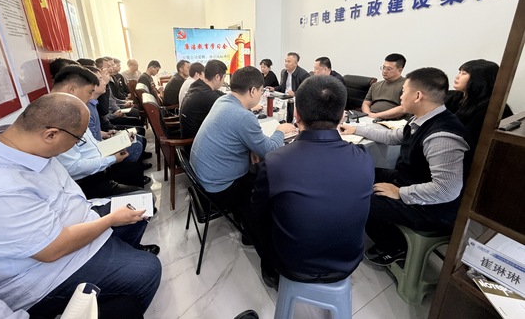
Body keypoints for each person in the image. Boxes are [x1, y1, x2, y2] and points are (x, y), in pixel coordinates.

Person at [0, 93, 160, 318]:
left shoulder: (24, 144)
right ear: (51, 135)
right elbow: (53, 249)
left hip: (79, 217)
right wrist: (110, 220)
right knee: (147, 270)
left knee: (141, 206)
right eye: (77, 140)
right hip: (46, 270)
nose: (76, 144)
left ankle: (118, 255)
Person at [243, 75, 374, 288]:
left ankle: (270, 269)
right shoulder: (364, 157)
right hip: (347, 261)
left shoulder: (276, 160)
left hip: (292, 264)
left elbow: (259, 210)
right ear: (342, 116)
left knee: (254, 215)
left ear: (296, 114)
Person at [341, 67, 472, 265]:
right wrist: (356, 129)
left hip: (433, 207)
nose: (400, 96)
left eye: (403, 91)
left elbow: (447, 189)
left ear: (418, 96)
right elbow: (393, 136)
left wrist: (400, 192)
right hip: (410, 180)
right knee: (360, 175)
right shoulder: (421, 118)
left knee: (364, 201)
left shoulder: (442, 136)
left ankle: (395, 246)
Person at [190, 66, 296, 211]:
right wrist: (280, 130)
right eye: (261, 91)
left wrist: (251, 148)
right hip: (219, 190)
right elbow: (271, 150)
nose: (261, 95)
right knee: (270, 176)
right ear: (253, 91)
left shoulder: (222, 100)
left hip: (202, 178)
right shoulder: (244, 117)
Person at [51, 66, 148, 199]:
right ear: (72, 89)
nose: (90, 98)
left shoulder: (72, 111)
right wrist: (112, 159)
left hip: (99, 166)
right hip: (87, 180)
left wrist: (116, 145)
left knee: (135, 170)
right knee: (143, 197)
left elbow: (91, 144)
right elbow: (73, 167)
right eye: (89, 92)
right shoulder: (57, 119)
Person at [445, 59, 513, 147]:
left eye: (464, 73)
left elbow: (466, 137)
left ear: (479, 79)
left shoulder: (490, 108)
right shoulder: (454, 96)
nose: (457, 77)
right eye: (459, 72)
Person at [180, 60, 226, 139]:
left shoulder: (199, 85)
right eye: (224, 77)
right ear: (217, 77)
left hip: (190, 135)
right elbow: (229, 108)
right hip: (194, 141)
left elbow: (222, 96)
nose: (223, 81)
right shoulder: (207, 95)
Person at [361, 53, 407, 119]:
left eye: (389, 69)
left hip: (391, 121)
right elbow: (365, 103)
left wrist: (377, 115)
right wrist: (368, 115)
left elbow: (403, 108)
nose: (384, 71)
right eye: (383, 67)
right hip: (370, 117)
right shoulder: (375, 85)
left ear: (399, 70)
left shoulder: (407, 86)